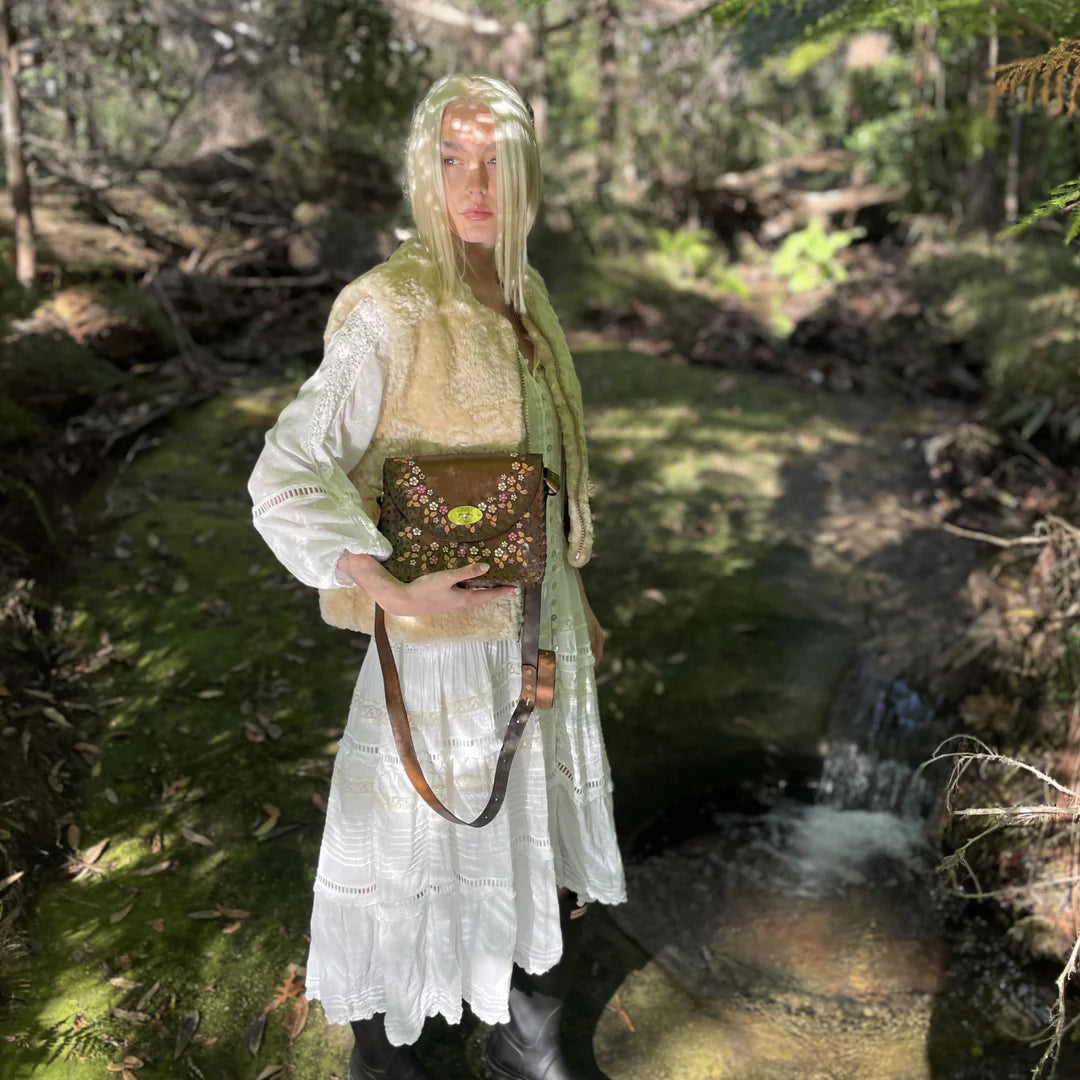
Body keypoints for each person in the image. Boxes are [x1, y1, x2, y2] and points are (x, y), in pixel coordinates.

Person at [247, 73, 626, 1080]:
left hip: (538, 636)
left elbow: (544, 476)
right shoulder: (391, 307)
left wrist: (576, 598)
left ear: (528, 171)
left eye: (495, 160)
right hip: (441, 653)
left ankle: (525, 1044)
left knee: (534, 832)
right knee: (419, 851)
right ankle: (390, 1064)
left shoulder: (529, 295)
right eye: (452, 159)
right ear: (425, 171)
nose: (474, 185)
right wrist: (386, 588)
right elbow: (287, 472)